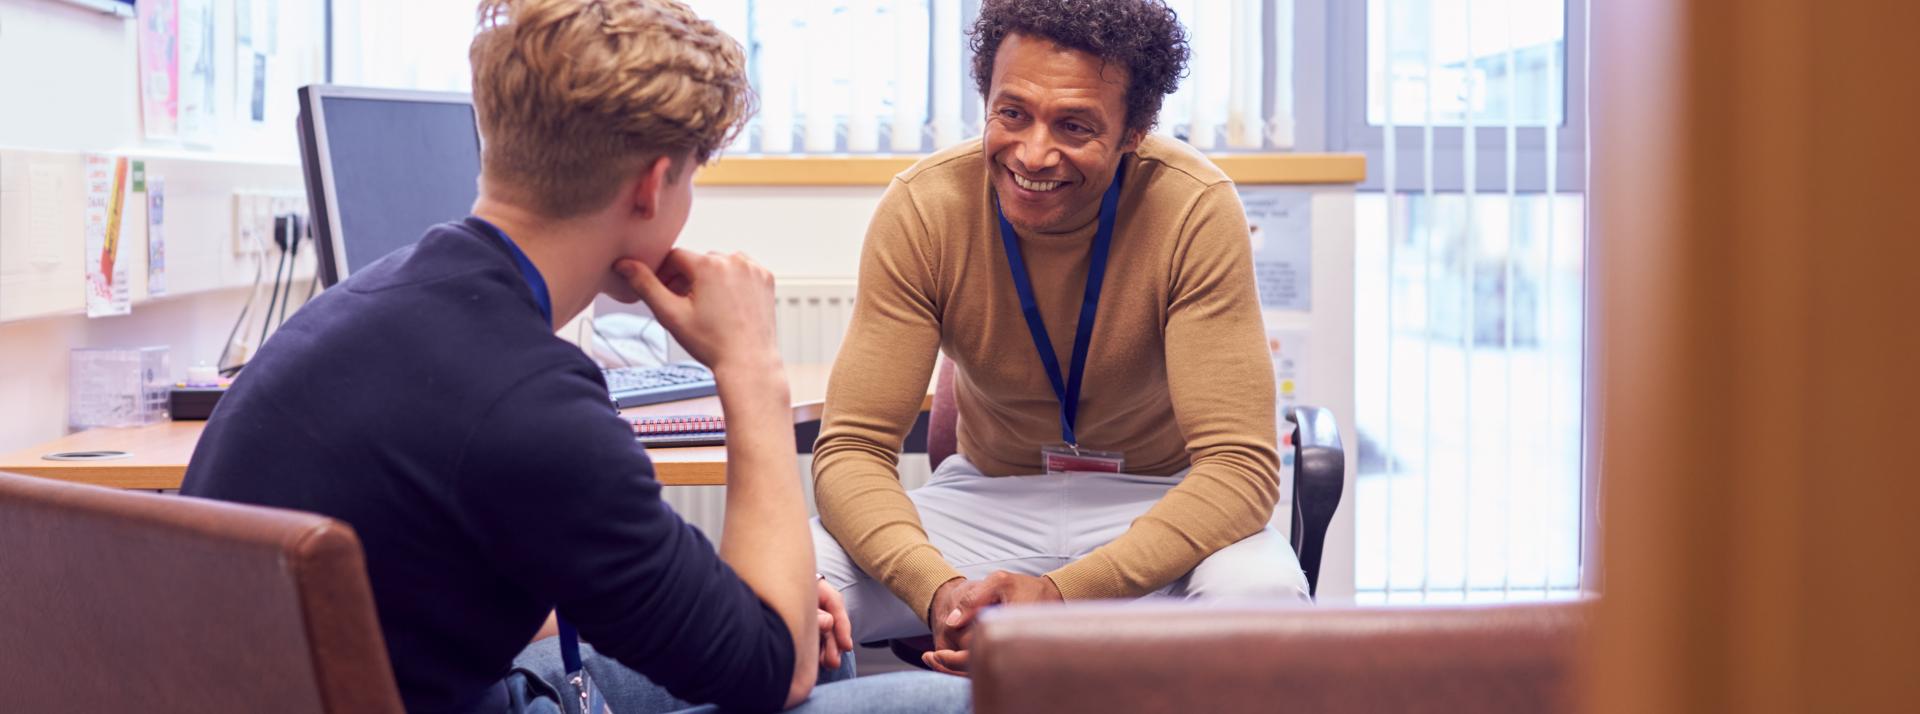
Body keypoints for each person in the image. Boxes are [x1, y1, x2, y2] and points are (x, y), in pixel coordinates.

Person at [181, 0, 969, 711]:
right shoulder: (531, 405)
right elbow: (774, 669)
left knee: (818, 645)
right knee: (958, 703)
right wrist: (750, 367)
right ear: (653, 186)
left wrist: (754, 606)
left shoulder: (370, 302)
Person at [811, 0, 1311, 675]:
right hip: (985, 501)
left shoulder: (1193, 207)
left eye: (1074, 125)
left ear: (1134, 132)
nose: (1033, 152)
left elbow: (1239, 470)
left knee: (1267, 601)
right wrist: (938, 589)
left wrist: (1062, 595)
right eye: (1012, 112)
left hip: (1156, 499)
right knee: (792, 590)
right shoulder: (925, 207)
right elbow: (851, 449)